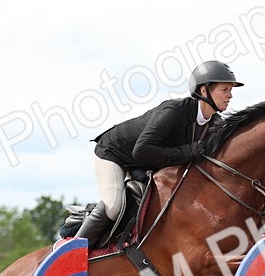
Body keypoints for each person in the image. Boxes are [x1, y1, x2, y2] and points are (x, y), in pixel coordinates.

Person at [75, 60, 243, 247]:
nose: (230, 96)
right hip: (114, 153)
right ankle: (72, 249)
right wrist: (187, 151)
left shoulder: (214, 124)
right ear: (204, 91)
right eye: (225, 90)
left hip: (145, 161)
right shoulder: (173, 112)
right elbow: (142, 151)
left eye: (231, 90)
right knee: (113, 206)